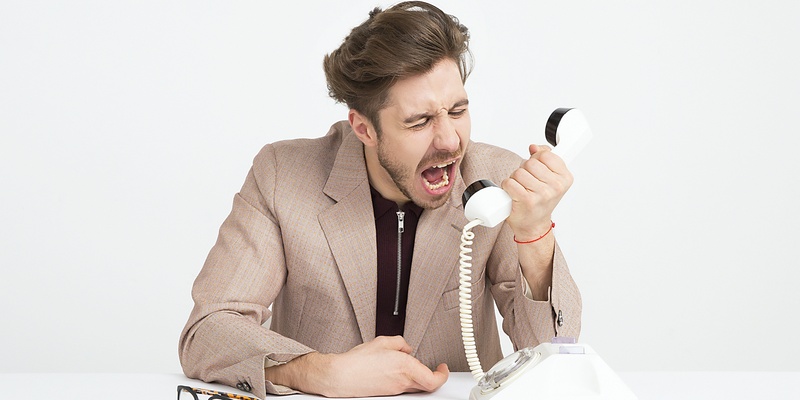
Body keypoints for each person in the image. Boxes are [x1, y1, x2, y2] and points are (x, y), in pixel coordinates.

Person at [179, 2, 581, 398]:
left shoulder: (495, 179)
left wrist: (534, 234)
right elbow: (208, 330)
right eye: (419, 121)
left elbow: (555, 354)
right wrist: (319, 372)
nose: (450, 141)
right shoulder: (282, 174)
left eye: (458, 110)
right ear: (364, 128)